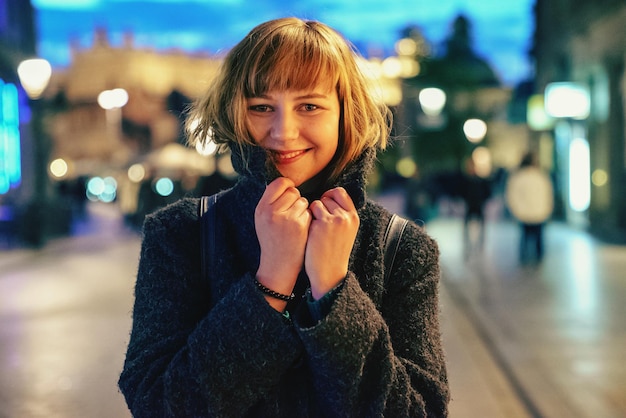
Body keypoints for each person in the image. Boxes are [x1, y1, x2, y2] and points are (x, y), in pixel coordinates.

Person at [119, 17, 449, 417]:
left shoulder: (401, 248)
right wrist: (270, 283)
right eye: (261, 107)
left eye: (309, 105)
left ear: (347, 114)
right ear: (234, 114)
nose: (284, 130)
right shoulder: (180, 236)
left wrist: (335, 291)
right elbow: (158, 404)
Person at [505, 151, 554, 263]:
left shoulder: (518, 177)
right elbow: (548, 195)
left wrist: (516, 211)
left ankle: (525, 260)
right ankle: (537, 260)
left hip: (524, 213)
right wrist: (547, 210)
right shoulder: (541, 177)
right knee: (538, 239)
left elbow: (511, 196)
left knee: (525, 238)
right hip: (539, 213)